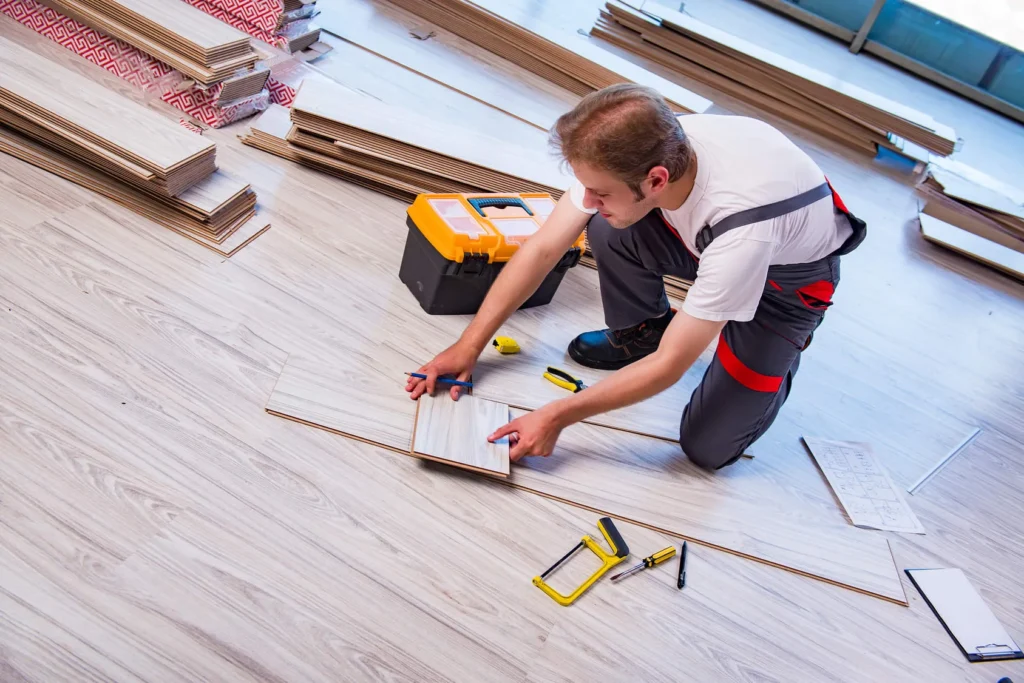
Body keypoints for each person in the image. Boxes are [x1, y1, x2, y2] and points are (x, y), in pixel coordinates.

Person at [405, 83, 865, 468]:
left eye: (599, 190)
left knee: (707, 449)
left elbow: (671, 366)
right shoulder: (645, 144)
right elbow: (545, 246)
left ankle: (777, 355)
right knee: (606, 225)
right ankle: (644, 329)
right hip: (707, 244)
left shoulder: (742, 227)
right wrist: (468, 346)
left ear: (657, 180)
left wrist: (557, 415)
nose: (588, 197)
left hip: (785, 285)